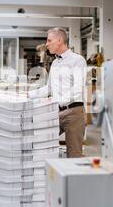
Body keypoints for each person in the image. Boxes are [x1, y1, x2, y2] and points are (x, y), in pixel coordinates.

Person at [29, 28, 87, 158]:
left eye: (49, 40)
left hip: (73, 112)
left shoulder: (78, 60)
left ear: (60, 40)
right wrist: (29, 95)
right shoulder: (55, 63)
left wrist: (57, 100)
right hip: (56, 112)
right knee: (42, 144)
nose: (47, 44)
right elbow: (49, 88)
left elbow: (78, 89)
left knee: (74, 154)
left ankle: (73, 177)